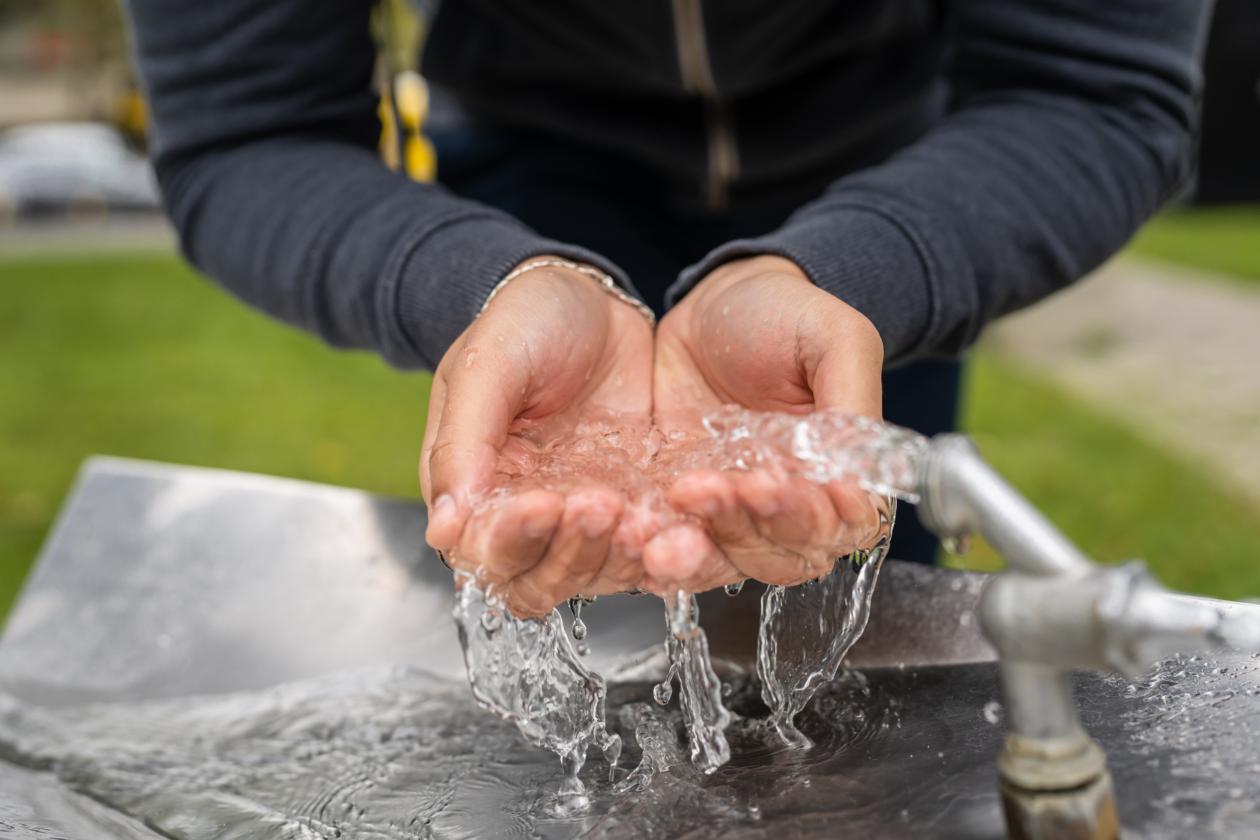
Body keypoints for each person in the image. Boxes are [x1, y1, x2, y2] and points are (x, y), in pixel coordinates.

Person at [123, 0, 1209, 615]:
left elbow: (1092, 85)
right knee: (561, 621)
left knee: (869, 642)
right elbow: (247, 128)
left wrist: (848, 275)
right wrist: (473, 282)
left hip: (886, 203)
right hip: (532, 177)